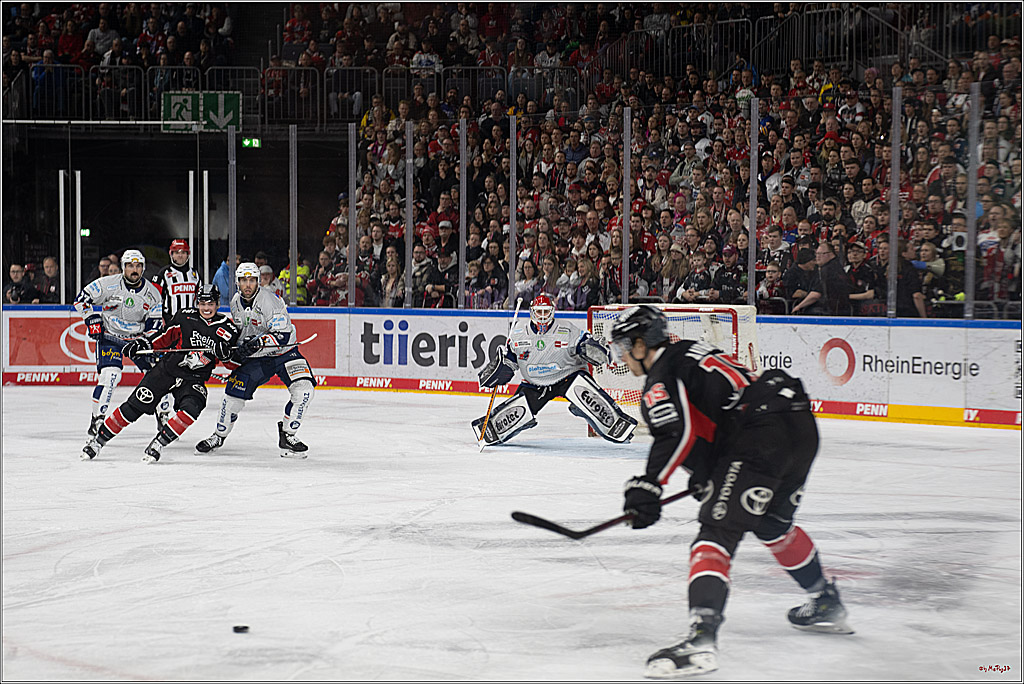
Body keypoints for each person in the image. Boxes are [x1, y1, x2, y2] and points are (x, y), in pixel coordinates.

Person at [608, 305, 852, 678]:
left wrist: (649, 485)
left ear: (641, 345)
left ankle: (701, 642)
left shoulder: (660, 377)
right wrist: (708, 473)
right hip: (797, 422)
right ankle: (825, 602)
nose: (622, 356)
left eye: (624, 346)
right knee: (772, 523)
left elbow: (677, 433)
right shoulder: (689, 351)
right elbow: (716, 417)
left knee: (716, 532)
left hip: (761, 433)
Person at [81, 284, 240, 463]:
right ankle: (98, 442)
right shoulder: (185, 316)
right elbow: (163, 337)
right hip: (167, 371)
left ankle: (158, 443)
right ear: (197, 303)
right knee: (134, 406)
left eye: (210, 303)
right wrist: (144, 344)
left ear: (218, 304)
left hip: (193, 379)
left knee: (193, 407)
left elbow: (232, 364)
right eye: (202, 303)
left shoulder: (228, 329)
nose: (206, 308)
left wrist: (226, 355)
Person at [472, 294, 637, 445]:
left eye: (546, 311)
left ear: (552, 311)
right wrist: (502, 368)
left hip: (568, 376)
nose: (542, 316)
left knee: (585, 392)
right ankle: (492, 428)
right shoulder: (519, 333)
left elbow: (584, 342)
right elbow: (511, 360)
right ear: (532, 312)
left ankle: (616, 423)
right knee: (516, 411)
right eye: (539, 312)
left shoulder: (567, 329)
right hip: (534, 383)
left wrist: (593, 348)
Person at [194, 263, 316, 458]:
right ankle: (219, 435)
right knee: (232, 397)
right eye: (243, 280)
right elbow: (241, 332)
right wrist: (232, 347)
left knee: (304, 389)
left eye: (252, 280)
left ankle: (288, 434)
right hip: (258, 358)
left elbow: (283, 335)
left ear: (258, 281)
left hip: (285, 353)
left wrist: (256, 342)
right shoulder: (235, 302)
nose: (248, 285)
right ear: (237, 282)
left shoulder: (270, 301)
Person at [73, 250, 163, 436]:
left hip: (137, 341)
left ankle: (163, 416)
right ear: (123, 267)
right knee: (110, 376)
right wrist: (91, 319)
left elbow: (154, 324)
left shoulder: (153, 293)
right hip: (111, 337)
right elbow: (81, 300)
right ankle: (97, 420)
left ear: (143, 268)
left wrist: (147, 342)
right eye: (130, 266)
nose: (134, 270)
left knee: (158, 377)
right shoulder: (108, 283)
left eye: (138, 266)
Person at [152, 238, 203, 425]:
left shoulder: (195, 274)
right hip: (169, 331)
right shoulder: (163, 274)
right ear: (171, 254)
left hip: (190, 331)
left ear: (188, 254)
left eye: (183, 252)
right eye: (176, 252)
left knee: (186, 369)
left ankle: (180, 404)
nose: (180, 255)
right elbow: (154, 301)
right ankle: (162, 411)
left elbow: (200, 303)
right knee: (165, 371)